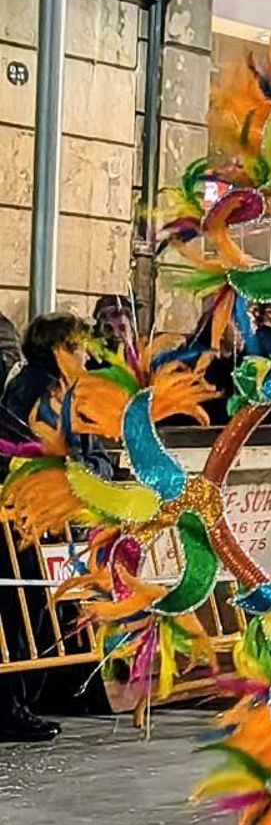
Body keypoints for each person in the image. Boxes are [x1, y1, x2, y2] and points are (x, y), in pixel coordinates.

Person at [0, 312, 108, 744]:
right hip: (31, 520)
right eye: (81, 345)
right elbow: (42, 456)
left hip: (44, 519)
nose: (88, 354)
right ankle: (14, 705)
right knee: (23, 612)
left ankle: (27, 699)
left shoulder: (65, 390)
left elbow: (86, 451)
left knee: (39, 612)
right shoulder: (39, 391)